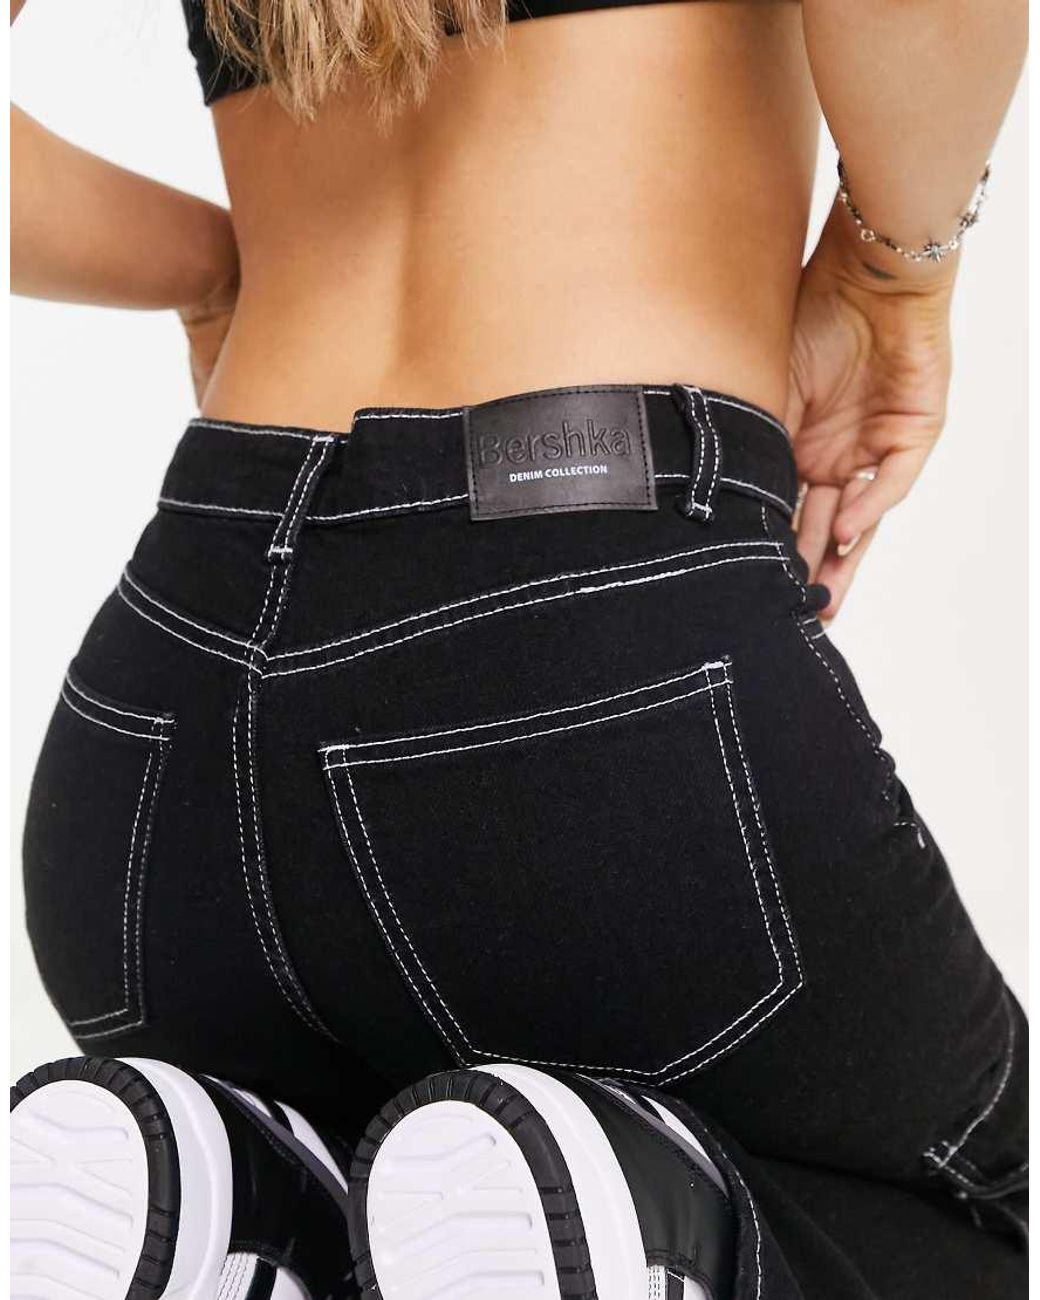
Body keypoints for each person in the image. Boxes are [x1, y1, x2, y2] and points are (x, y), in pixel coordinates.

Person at [10, 0, 1028, 1296]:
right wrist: (894, 272)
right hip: (587, 664)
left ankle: (249, 1205)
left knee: (383, 1208)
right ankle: (645, 1228)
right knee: (984, 1203)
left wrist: (215, 271)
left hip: (167, 722)